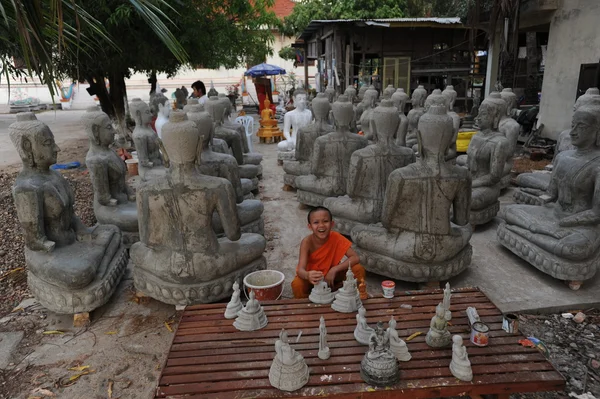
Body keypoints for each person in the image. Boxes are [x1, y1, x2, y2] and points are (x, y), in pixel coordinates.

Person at [291, 206, 366, 298]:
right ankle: (307, 305)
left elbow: (355, 257)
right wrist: (308, 275)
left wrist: (334, 269)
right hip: (315, 279)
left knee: (357, 269)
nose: (321, 225)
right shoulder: (307, 242)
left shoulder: (336, 237)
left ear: (332, 224)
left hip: (332, 277)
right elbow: (300, 270)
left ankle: (354, 296)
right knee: (297, 284)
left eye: (325, 221)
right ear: (310, 226)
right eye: (316, 222)